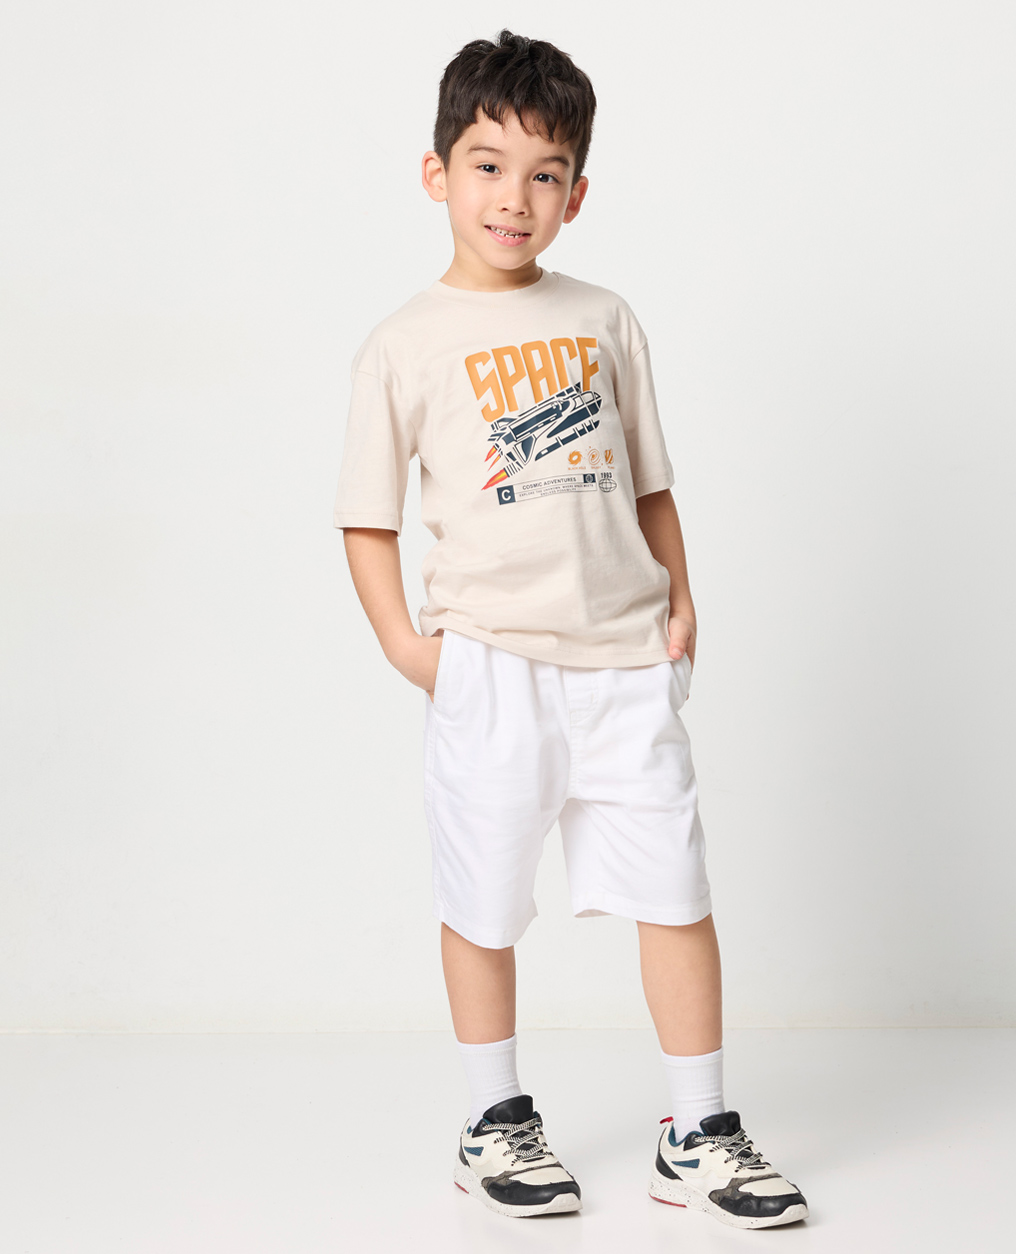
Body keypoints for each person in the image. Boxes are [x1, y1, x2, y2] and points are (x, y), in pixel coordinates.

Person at [334, 29, 808, 1230]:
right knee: (484, 900)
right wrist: (409, 648)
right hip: (488, 666)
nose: (514, 197)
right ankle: (494, 1119)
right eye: (488, 166)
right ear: (437, 173)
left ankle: (697, 1132)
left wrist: (680, 600)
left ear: (576, 195)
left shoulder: (605, 317)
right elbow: (366, 518)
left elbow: (650, 486)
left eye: (545, 174)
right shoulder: (402, 342)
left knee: (676, 893)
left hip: (625, 661)